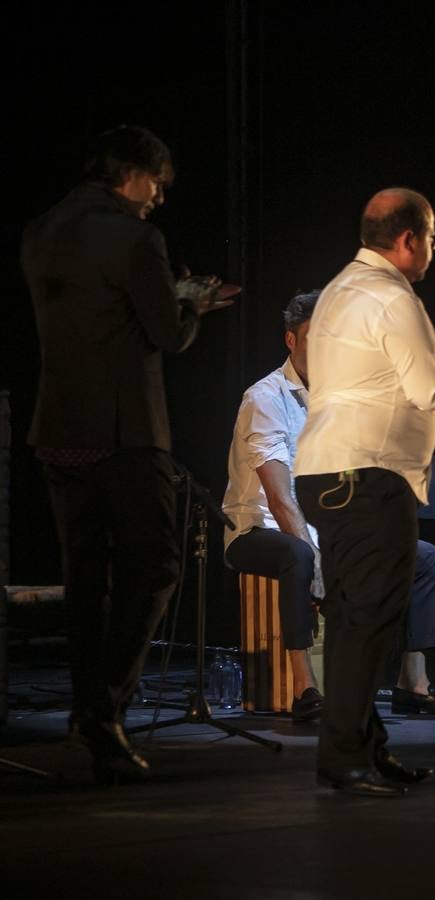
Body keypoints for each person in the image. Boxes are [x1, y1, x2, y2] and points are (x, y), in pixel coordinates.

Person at [21, 125, 236, 783]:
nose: (159, 200)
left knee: (86, 580)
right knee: (155, 566)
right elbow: (166, 336)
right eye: (156, 185)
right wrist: (192, 303)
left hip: (57, 429)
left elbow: (96, 315)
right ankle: (104, 707)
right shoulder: (137, 237)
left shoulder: (39, 230)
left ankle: (92, 710)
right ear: (130, 174)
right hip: (124, 433)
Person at [293, 188, 435, 797]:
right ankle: (344, 759)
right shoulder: (392, 296)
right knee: (367, 621)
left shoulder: (339, 292)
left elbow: (384, 376)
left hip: (328, 473)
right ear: (407, 240)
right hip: (369, 477)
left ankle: (364, 749)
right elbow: (432, 392)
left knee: (364, 621)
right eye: (431, 235)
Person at [222, 290, 435, 724]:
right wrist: (319, 560)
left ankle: (414, 684)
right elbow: (278, 498)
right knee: (297, 555)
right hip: (256, 529)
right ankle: (305, 689)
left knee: (423, 555)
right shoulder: (265, 398)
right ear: (292, 341)